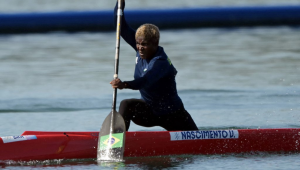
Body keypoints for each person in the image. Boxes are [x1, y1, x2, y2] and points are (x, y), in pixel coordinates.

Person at [110, 0, 198, 131]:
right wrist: (120, 5)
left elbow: (145, 81)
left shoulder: (160, 62)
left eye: (144, 44)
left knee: (197, 144)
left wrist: (124, 84)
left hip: (172, 114)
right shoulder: (140, 49)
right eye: (138, 44)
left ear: (155, 43)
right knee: (126, 104)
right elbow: (121, 27)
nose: (140, 48)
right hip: (150, 112)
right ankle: (117, 141)